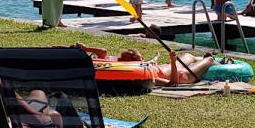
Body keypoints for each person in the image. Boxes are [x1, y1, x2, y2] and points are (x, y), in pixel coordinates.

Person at [75, 43, 213, 86]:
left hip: (173, 67)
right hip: (182, 76)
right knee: (209, 60)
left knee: (187, 56)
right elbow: (172, 83)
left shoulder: (146, 67)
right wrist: (172, 61)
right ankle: (209, 59)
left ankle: (199, 58)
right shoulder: (147, 75)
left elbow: (103, 53)